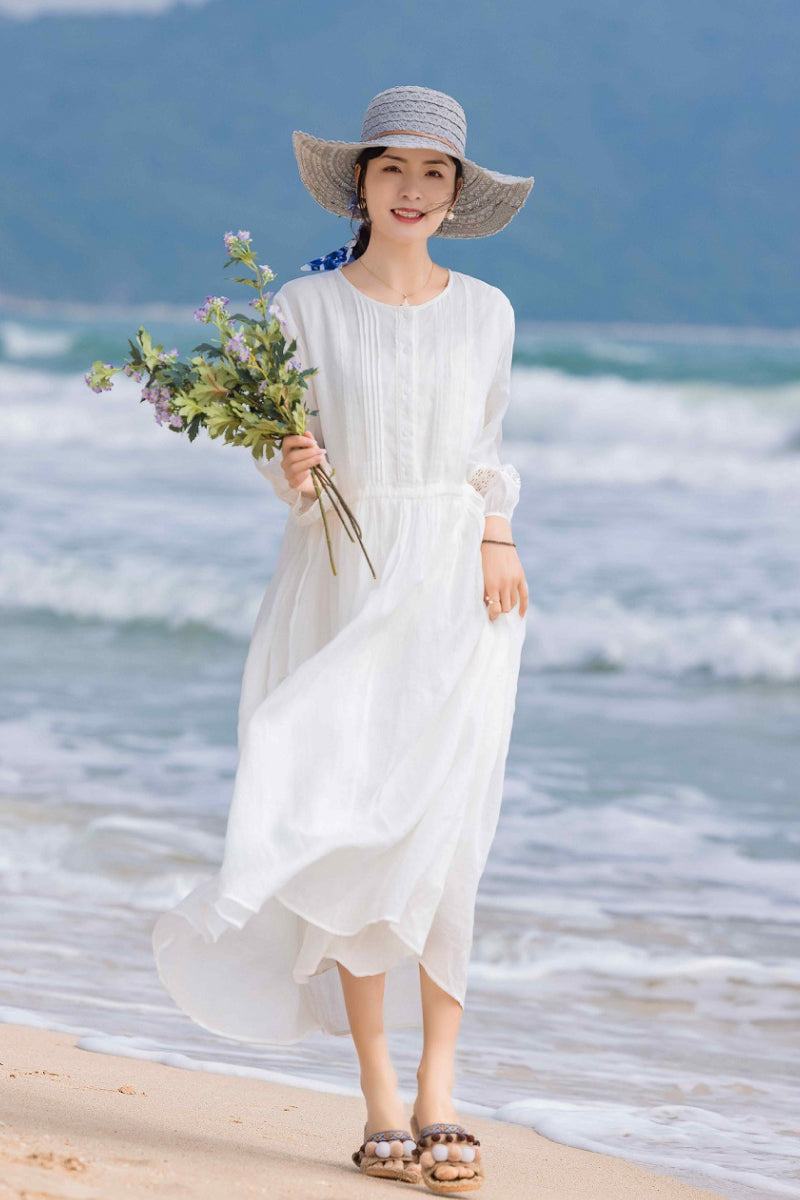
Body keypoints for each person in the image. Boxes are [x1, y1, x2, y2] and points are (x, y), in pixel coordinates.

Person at [152, 84, 534, 1194]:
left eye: (433, 175)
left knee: (448, 837)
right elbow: (284, 455)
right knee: (351, 831)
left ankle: (440, 1093)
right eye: (392, 171)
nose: (411, 191)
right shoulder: (298, 312)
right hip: (341, 578)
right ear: (358, 183)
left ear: (455, 195)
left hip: (463, 591)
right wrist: (292, 465)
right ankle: (376, 1097)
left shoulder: (489, 310)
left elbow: (488, 443)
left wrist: (499, 534)